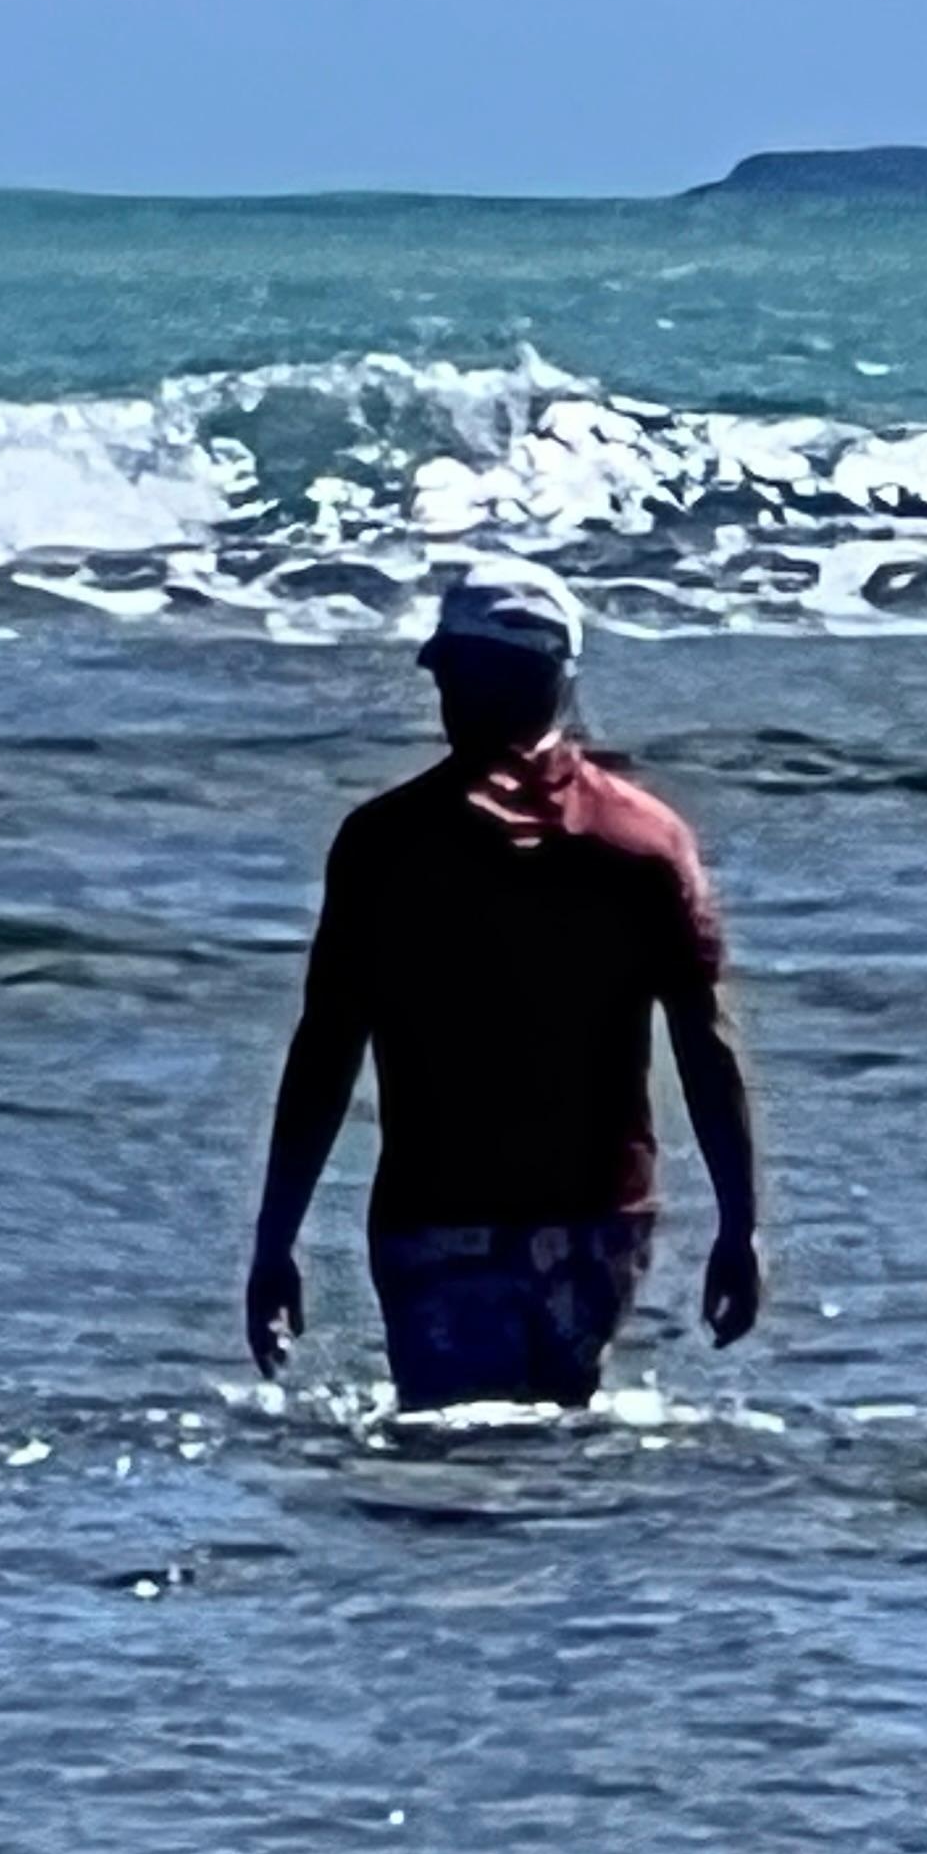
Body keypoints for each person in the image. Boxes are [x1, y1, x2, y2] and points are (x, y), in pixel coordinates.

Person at [244, 553, 763, 1407]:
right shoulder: (643, 842)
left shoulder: (386, 846)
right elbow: (705, 1043)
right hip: (601, 1220)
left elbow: (326, 1052)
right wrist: (740, 1228)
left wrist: (275, 1241)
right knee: (557, 1447)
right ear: (560, 684)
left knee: (446, 1469)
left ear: (452, 680)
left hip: (436, 1219)